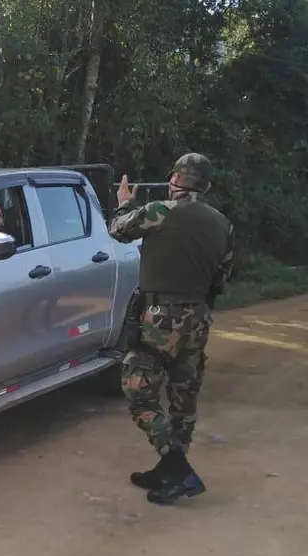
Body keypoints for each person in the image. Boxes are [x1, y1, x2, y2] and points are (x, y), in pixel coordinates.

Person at [107, 153, 234, 504]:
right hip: (198, 316)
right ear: (206, 186)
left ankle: (178, 469)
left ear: (173, 179)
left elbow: (118, 230)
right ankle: (169, 470)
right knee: (183, 398)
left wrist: (124, 204)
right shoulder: (222, 223)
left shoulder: (160, 211)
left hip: (160, 317)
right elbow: (223, 274)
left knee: (140, 394)